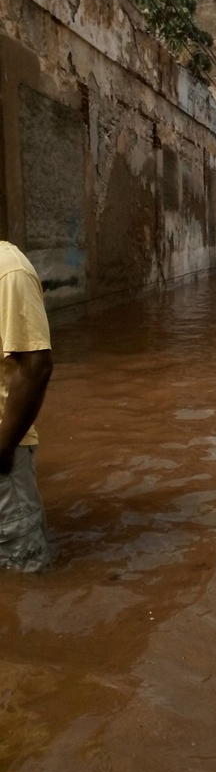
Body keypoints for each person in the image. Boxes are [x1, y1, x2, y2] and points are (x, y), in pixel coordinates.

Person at [0, 241, 53, 572]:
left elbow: (36, 366)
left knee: (19, 569)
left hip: (4, 455)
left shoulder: (9, 270)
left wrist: (2, 449)